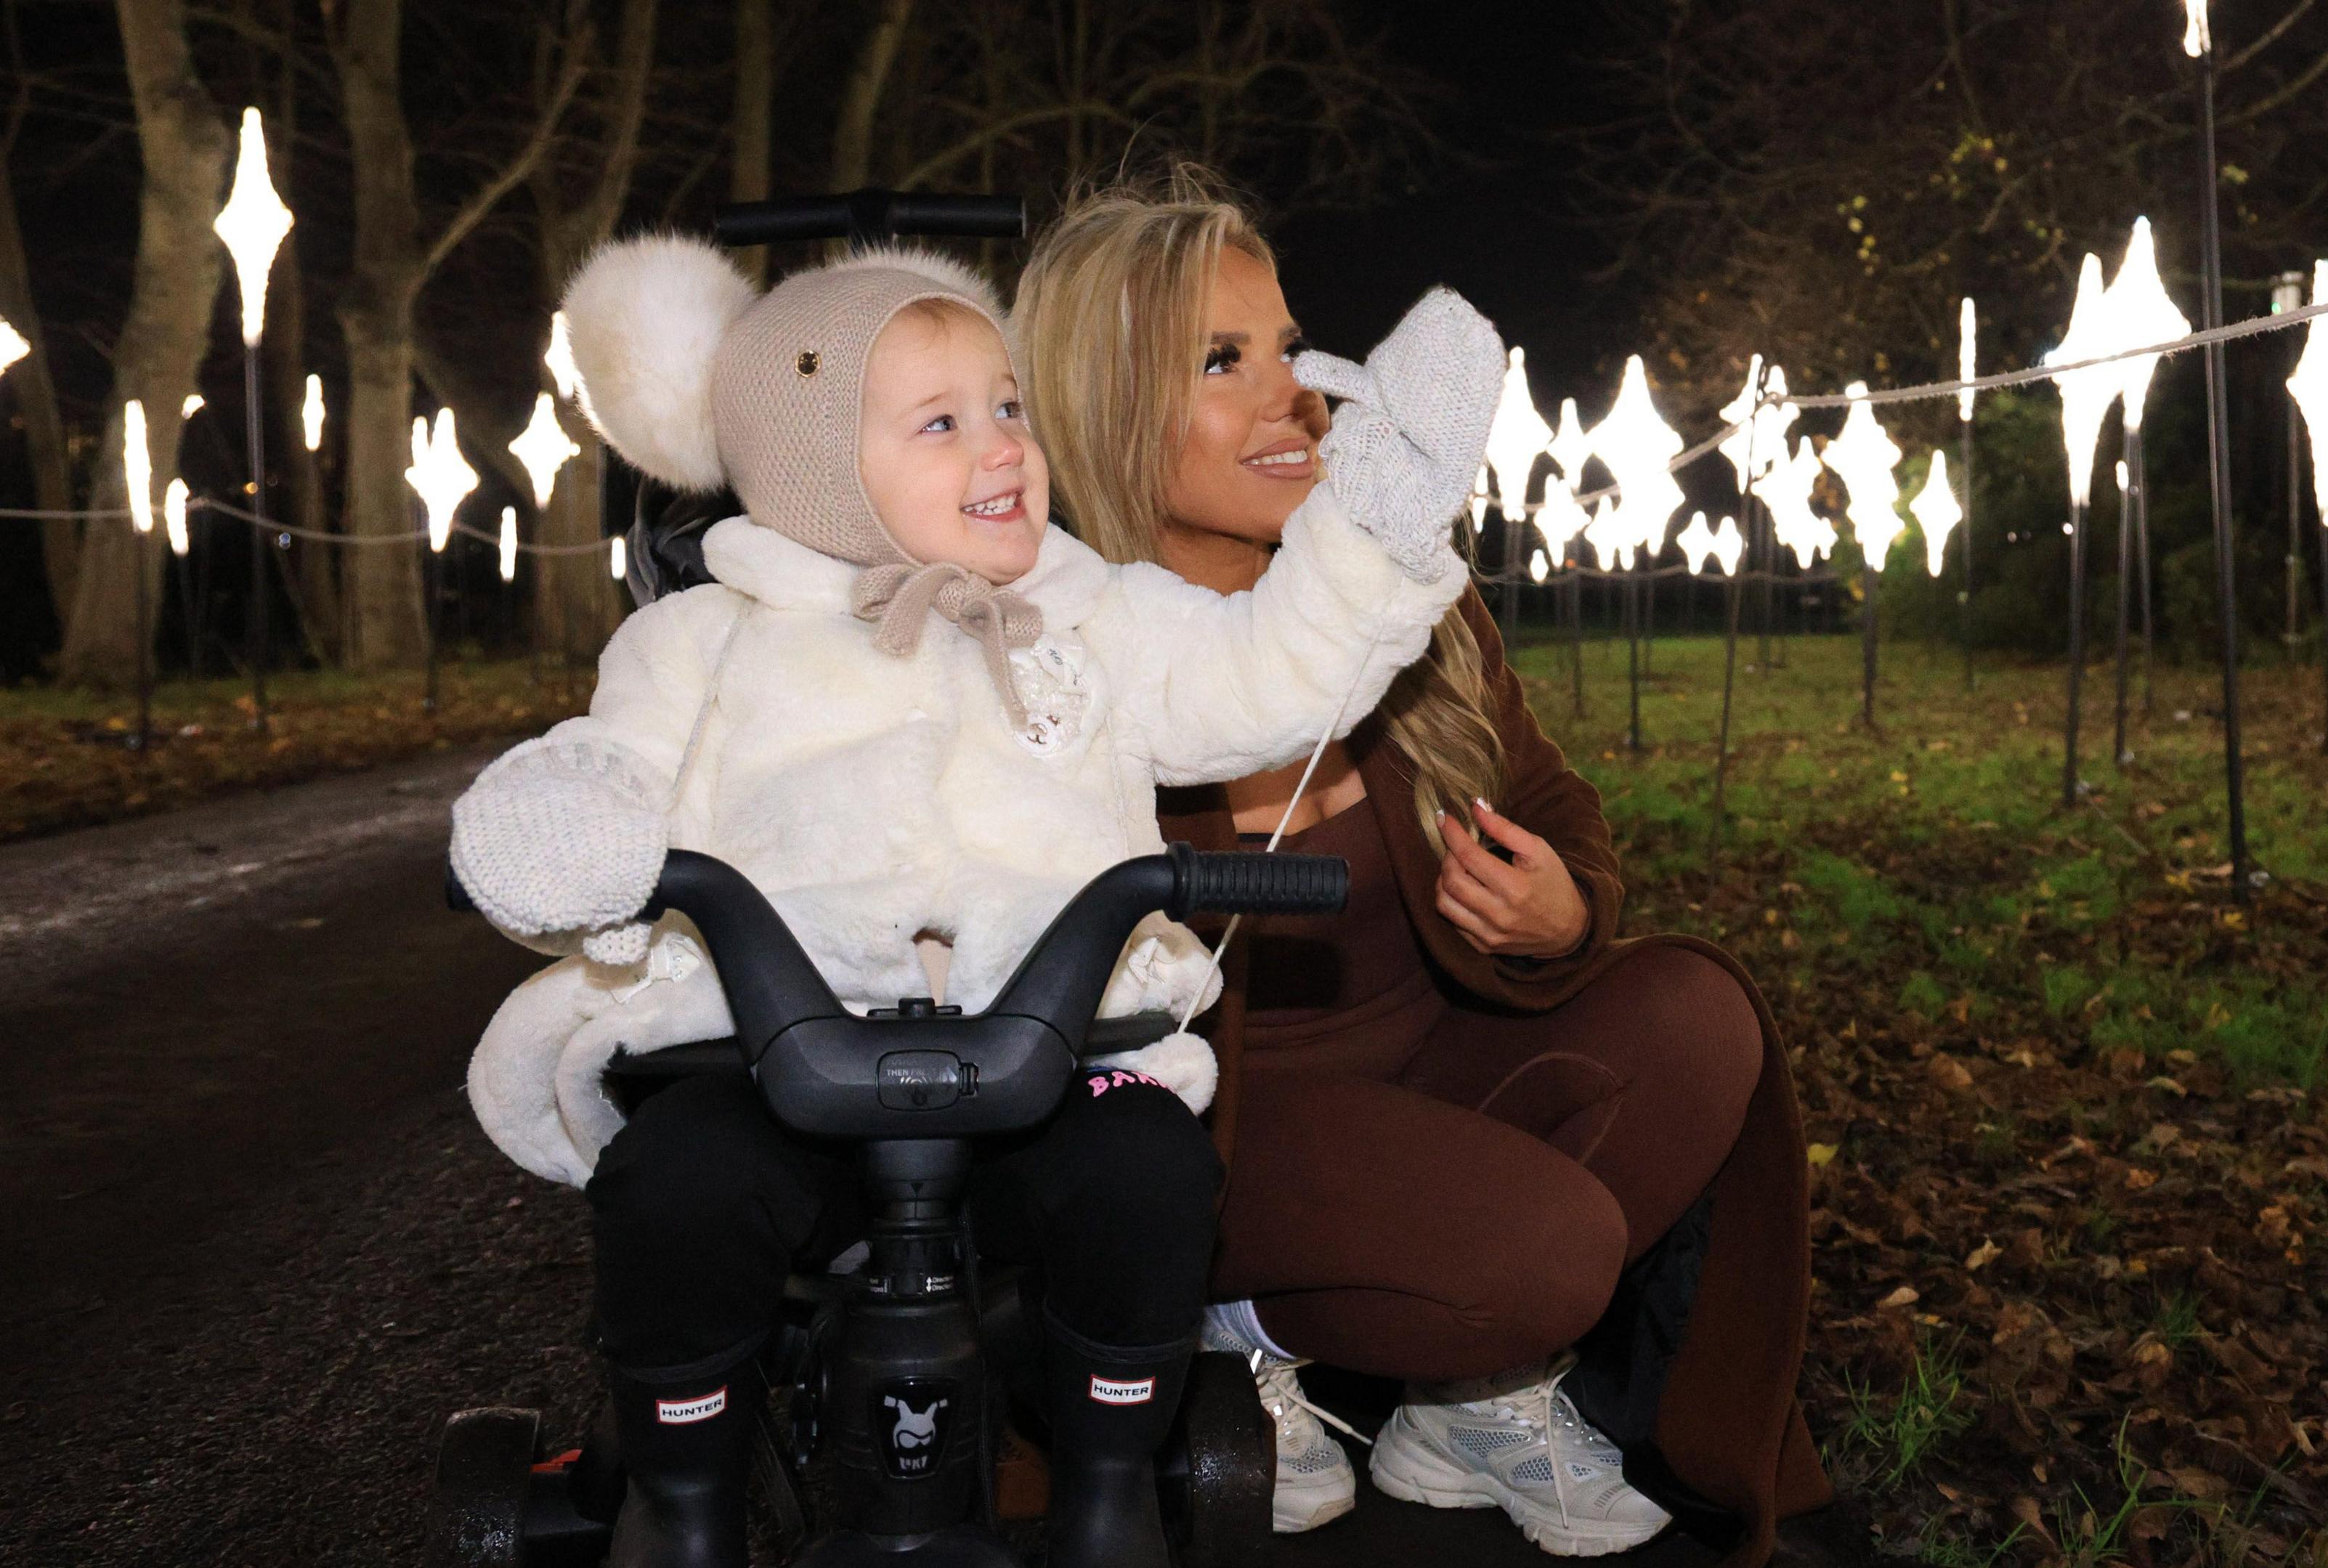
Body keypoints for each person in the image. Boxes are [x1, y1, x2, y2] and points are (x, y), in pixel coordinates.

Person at [445, 234, 1504, 1566]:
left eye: (1008, 407)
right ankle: (685, 1494)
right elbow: (616, 762)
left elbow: (1267, 668)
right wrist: (571, 828)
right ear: (820, 465)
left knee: (1150, 1173)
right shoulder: (707, 638)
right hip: (771, 1070)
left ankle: (1109, 1479)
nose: (1001, 445)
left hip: (1045, 1070)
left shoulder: (1091, 616)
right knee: (678, 1184)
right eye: (941, 423)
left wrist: (1378, 517)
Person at [1015, 171, 1848, 1566]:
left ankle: (1464, 1402)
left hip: (1436, 1074)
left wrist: (1561, 908)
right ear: (1105, 405)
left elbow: (1552, 800)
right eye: (1223, 361)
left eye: (1290, 346)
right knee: (1543, 1258)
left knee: (1703, 1020)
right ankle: (1228, 1333)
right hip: (1205, 1135)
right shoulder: (1052, 652)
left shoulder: (1405, 588)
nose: (1295, 392)